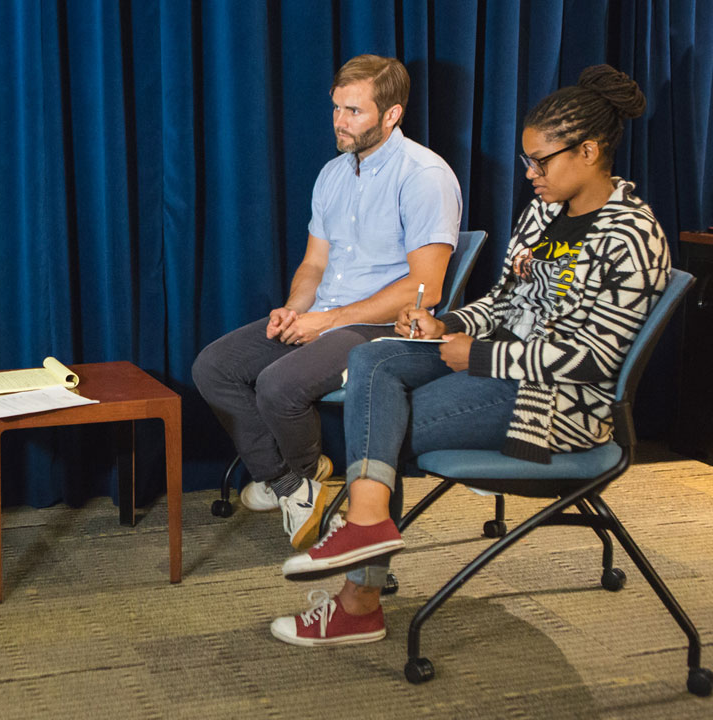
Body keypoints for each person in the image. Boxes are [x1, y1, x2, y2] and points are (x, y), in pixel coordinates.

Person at [271, 65, 668, 647]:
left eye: (541, 161)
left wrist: (476, 357)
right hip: (499, 369)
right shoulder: (546, 216)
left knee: (381, 422)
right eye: (526, 160)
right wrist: (445, 323)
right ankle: (367, 526)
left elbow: (594, 359)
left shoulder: (630, 237)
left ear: (587, 152)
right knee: (377, 359)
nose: (529, 174)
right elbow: (506, 303)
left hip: (557, 408)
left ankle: (359, 597)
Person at [191, 55, 461, 550]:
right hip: (326, 315)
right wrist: (295, 308)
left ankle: (293, 482)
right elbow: (314, 266)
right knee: (215, 366)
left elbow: (427, 287)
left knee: (277, 385)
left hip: (385, 327)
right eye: (336, 108)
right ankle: (296, 483)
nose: (340, 121)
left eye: (354, 111)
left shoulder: (424, 175)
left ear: (392, 115)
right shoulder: (333, 174)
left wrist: (327, 321)